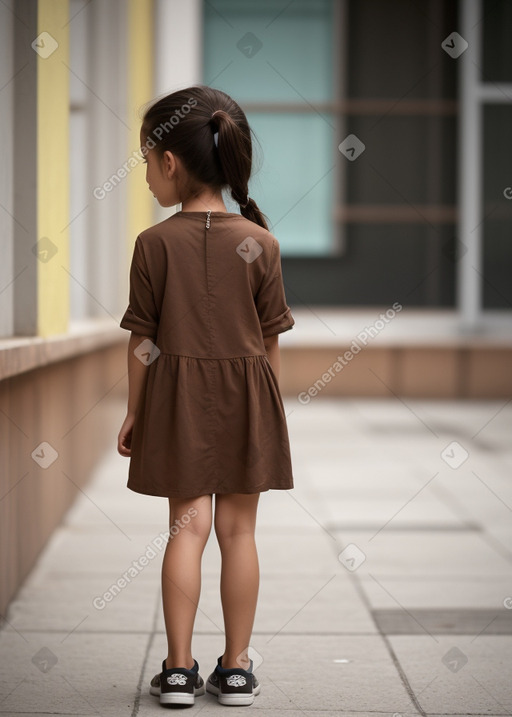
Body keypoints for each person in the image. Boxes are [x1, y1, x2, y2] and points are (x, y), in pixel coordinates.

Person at [117, 85, 295, 708]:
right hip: (250, 401)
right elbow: (272, 345)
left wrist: (137, 411)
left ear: (171, 163)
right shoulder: (263, 245)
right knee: (238, 533)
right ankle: (238, 669)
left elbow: (142, 343)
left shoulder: (153, 244)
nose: (144, 174)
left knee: (184, 531)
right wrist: (270, 413)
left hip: (178, 403)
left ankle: (176, 671)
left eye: (145, 159)